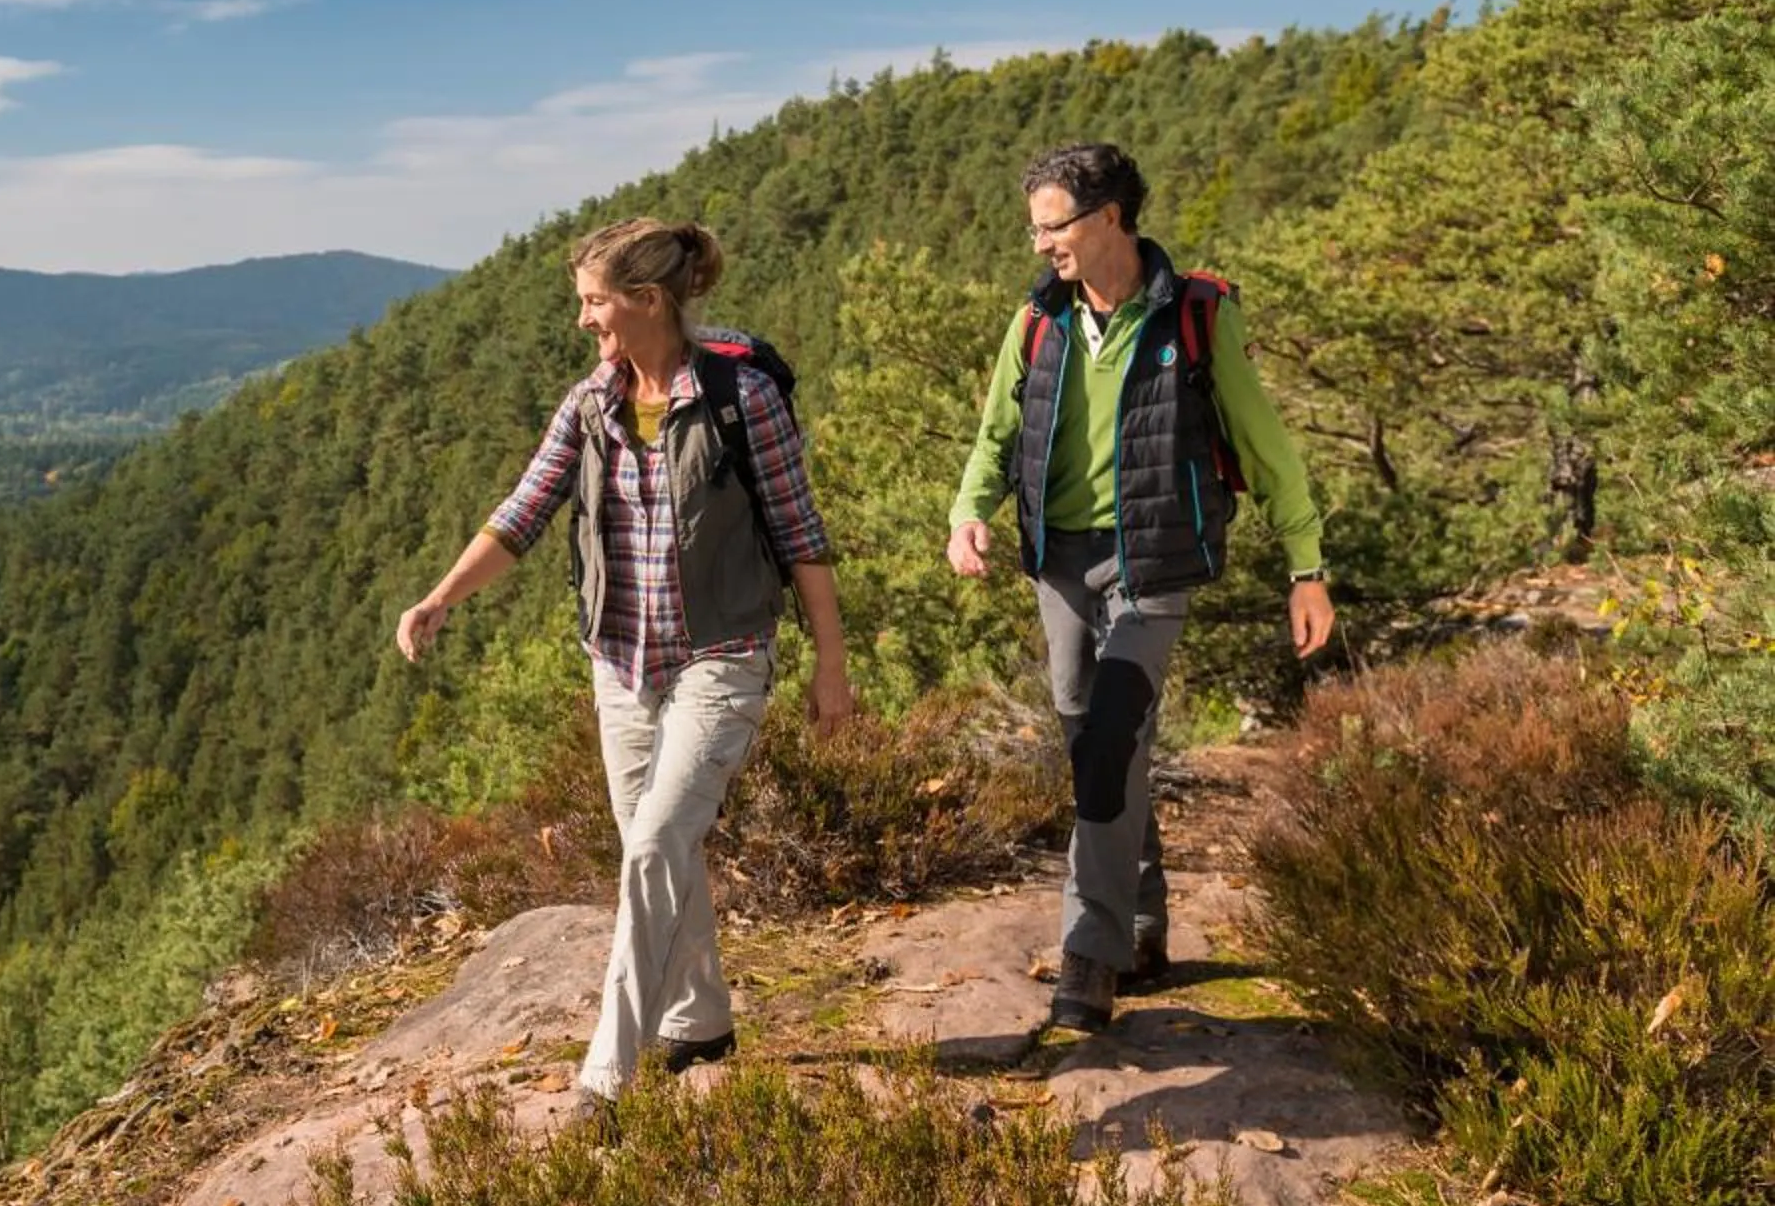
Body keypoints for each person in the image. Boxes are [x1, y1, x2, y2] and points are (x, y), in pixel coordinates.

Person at [397, 217, 853, 1118]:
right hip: (621, 663)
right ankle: (702, 1015)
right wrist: (442, 596)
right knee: (659, 848)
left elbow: (802, 537)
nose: (583, 321)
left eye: (594, 302)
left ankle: (609, 1070)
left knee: (651, 845)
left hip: (721, 658)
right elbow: (525, 512)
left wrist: (830, 667)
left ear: (648, 301)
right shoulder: (590, 404)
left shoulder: (741, 398)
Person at [945, 142, 1334, 1032]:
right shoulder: (1037, 322)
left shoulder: (1191, 317)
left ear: (1111, 216)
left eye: (1055, 225)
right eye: (1036, 228)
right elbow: (995, 437)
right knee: (1094, 740)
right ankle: (1146, 925)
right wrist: (970, 512)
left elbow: (1266, 443)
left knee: (1110, 733)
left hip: (1153, 561)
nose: (1042, 244)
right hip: (1060, 562)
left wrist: (1305, 567)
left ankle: (1090, 955)